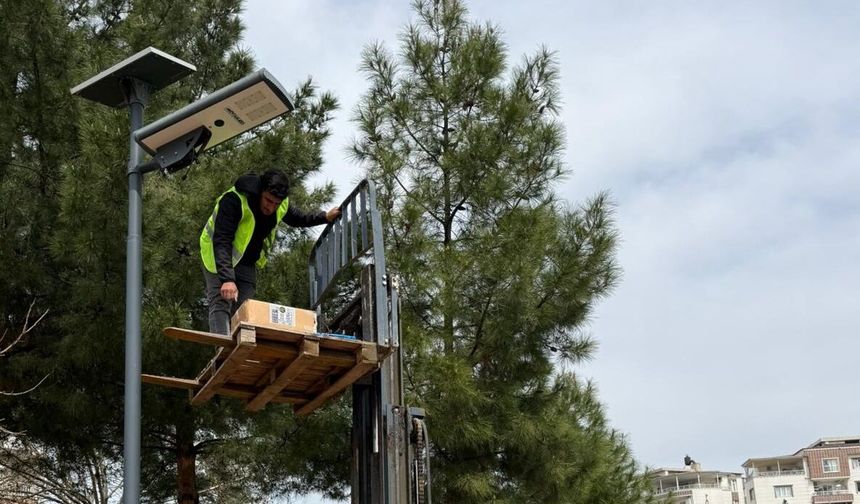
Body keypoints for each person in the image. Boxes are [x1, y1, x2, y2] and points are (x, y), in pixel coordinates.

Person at [200, 169, 340, 335]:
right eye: (268, 200)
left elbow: (298, 218)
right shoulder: (234, 200)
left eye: (276, 204)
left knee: (245, 308)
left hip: (246, 260)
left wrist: (324, 217)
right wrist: (227, 279)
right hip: (217, 253)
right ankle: (222, 349)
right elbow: (222, 241)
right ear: (260, 191)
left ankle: (239, 349)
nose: (271, 207)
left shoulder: (281, 204)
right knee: (221, 301)